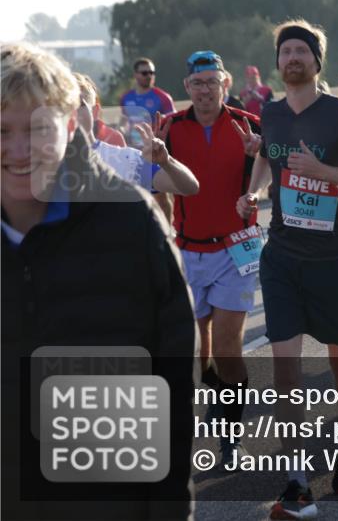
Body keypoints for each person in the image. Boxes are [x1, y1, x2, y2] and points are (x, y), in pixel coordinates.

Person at [1, 43, 194, 521]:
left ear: (70, 126)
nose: (20, 150)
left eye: (39, 129)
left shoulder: (131, 224)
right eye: (2, 131)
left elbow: (170, 394)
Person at [236, 20, 338, 516]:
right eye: (286, 51)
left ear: (317, 62)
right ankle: (297, 477)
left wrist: (326, 174)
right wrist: (255, 191)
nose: (293, 58)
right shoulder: (271, 112)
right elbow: (267, 158)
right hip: (282, 255)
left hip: (336, 256)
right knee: (285, 369)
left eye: (302, 50)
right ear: (278, 63)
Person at [161, 49, 263, 466]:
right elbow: (156, 182)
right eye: (197, 83)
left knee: (227, 349)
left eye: (212, 82)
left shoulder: (250, 126)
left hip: (236, 248)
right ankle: (220, 395)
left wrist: (262, 161)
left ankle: (230, 438)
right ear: (187, 87)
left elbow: (277, 170)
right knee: (195, 352)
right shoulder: (170, 128)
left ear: (225, 84)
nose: (205, 90)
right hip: (187, 248)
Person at [76, 72, 199, 196]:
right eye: (61, 108)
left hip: (147, 146)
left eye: (79, 106)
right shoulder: (56, 163)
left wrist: (166, 162)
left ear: (95, 112)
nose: (70, 114)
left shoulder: (123, 159)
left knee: (161, 201)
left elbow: (190, 187)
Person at [121, 56, 177, 222]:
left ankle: (168, 233)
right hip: (134, 152)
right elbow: (124, 120)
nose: (149, 76)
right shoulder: (126, 97)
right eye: (145, 72)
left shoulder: (162, 97)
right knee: (137, 196)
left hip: (154, 152)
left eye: (152, 72)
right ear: (136, 75)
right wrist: (121, 130)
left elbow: (171, 122)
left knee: (161, 197)